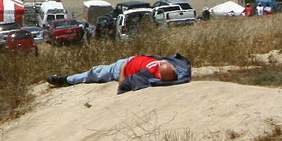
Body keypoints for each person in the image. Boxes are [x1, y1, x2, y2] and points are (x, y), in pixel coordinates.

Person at [46, 54, 191, 93]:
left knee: (95, 72)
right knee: (96, 71)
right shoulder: (170, 64)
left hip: (120, 67)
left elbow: (122, 85)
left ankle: (66, 80)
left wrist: (122, 69)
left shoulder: (145, 75)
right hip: (130, 59)